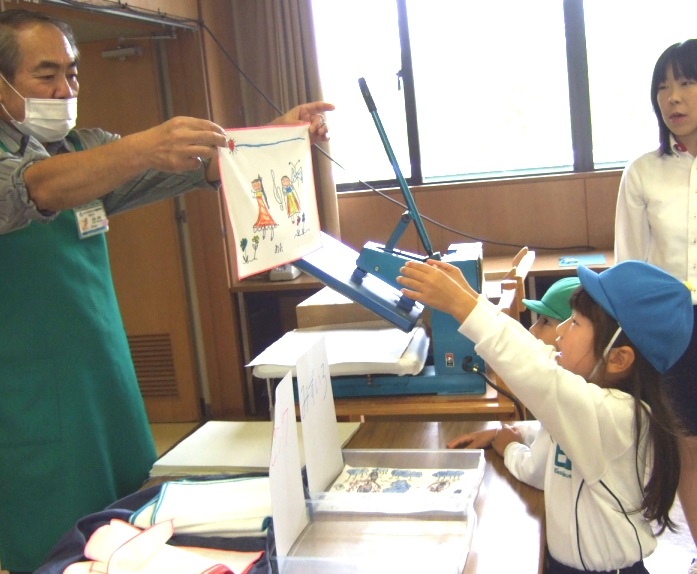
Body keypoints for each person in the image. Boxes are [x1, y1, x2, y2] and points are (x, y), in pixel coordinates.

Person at [0, 8, 334, 573]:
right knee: (56, 546)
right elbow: (35, 188)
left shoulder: (83, 148)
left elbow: (198, 169)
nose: (66, 89)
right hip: (30, 395)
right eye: (46, 75)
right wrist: (140, 146)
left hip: (106, 379)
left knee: (128, 529)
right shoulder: (49, 167)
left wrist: (273, 136)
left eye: (73, 73)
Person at [397, 258, 692, 573]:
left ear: (618, 359)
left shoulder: (617, 416)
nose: (561, 330)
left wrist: (461, 304)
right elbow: (540, 361)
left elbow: (537, 373)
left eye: (575, 322)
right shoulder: (588, 408)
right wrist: (471, 298)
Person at [614, 38, 697, 559]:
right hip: (674, 330)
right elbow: (628, 265)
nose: (673, 97)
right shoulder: (643, 172)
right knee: (689, 448)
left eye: (686, 82)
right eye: (663, 87)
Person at [447, 276, 580, 455]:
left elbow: (538, 465)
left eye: (546, 322)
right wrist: (512, 432)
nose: (533, 329)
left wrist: (511, 448)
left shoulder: (575, 397)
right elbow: (552, 434)